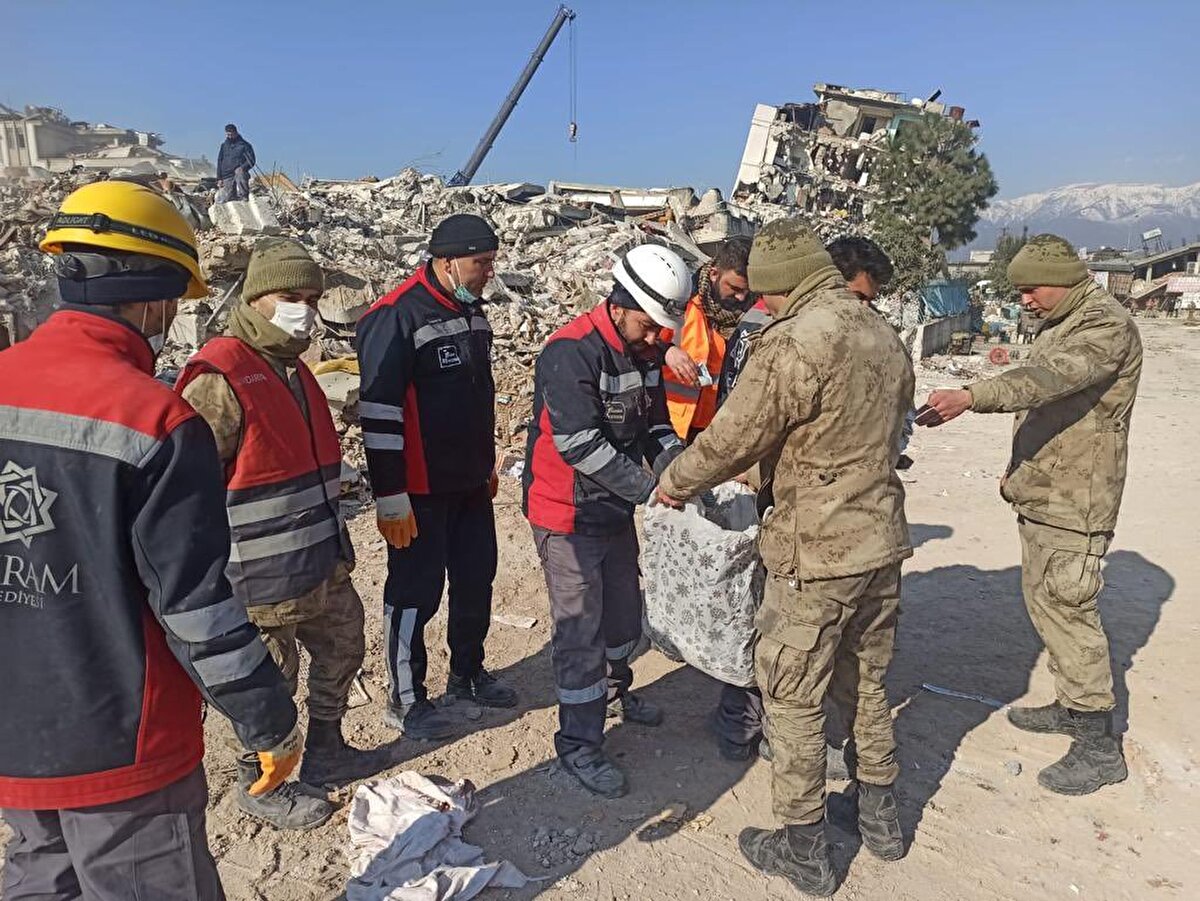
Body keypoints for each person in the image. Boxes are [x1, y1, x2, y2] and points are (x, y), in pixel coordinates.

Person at [0, 181, 299, 900]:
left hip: (15, 735)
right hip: (123, 748)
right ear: (156, 294)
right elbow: (197, 609)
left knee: (40, 878)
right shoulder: (155, 419)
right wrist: (268, 716)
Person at [657, 218, 915, 896]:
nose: (761, 309)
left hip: (816, 551)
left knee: (793, 698)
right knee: (866, 683)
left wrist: (675, 480)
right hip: (881, 543)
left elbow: (735, 436)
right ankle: (881, 820)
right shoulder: (881, 331)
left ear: (780, 286)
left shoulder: (795, 341)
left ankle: (804, 850)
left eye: (765, 297)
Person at [920, 234, 1142, 796]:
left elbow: (1045, 383)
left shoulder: (1103, 326)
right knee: (1045, 601)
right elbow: (1055, 413)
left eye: (1029, 289)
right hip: (1047, 490)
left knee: (1069, 610)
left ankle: (1098, 742)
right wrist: (1020, 470)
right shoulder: (1064, 320)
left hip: (1077, 499)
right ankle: (1073, 707)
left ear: (1063, 278)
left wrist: (971, 396)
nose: (1023, 301)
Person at [177, 238, 376, 830]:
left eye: (313, 299)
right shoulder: (220, 376)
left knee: (344, 646)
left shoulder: (291, 370)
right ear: (257, 299)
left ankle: (328, 747)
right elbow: (187, 495)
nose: (306, 310)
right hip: (259, 580)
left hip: (318, 564)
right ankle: (260, 782)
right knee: (269, 683)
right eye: (291, 297)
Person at [712, 233, 904, 764]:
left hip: (814, 531)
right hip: (798, 505)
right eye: (859, 296)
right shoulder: (792, 334)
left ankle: (801, 828)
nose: (862, 310)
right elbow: (745, 422)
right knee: (769, 622)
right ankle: (742, 723)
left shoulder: (816, 335)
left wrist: (678, 482)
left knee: (790, 664)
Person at [522, 244, 690, 799]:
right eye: (647, 324)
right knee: (580, 631)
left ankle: (615, 693)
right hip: (566, 513)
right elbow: (577, 443)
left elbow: (656, 428)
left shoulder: (646, 351)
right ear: (620, 303)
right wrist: (651, 490)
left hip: (612, 509)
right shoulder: (570, 352)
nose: (654, 337)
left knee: (623, 616)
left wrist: (681, 469)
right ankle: (578, 744)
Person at [357, 213, 516, 741]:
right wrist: (390, 494)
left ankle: (468, 674)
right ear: (448, 262)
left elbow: (478, 396)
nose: (489, 273)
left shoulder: (473, 313)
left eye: (491, 262)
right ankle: (406, 697)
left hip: (469, 483)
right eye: (481, 263)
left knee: (476, 579)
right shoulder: (397, 316)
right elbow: (379, 413)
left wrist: (486, 464)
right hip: (419, 490)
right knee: (415, 591)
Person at [661, 237, 752, 440]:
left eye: (747, 291)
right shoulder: (681, 304)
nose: (741, 298)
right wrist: (666, 351)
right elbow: (641, 346)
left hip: (714, 428)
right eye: (735, 289)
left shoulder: (751, 315)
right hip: (671, 425)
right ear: (713, 274)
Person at [217, 123, 255, 202]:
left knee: (239, 173)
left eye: (231, 134)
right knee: (226, 198)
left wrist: (242, 168)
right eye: (228, 134)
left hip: (239, 173)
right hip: (227, 174)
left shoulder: (245, 145)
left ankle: (244, 196)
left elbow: (251, 160)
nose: (229, 136)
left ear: (236, 132)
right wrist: (219, 178)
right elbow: (220, 161)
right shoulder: (224, 146)